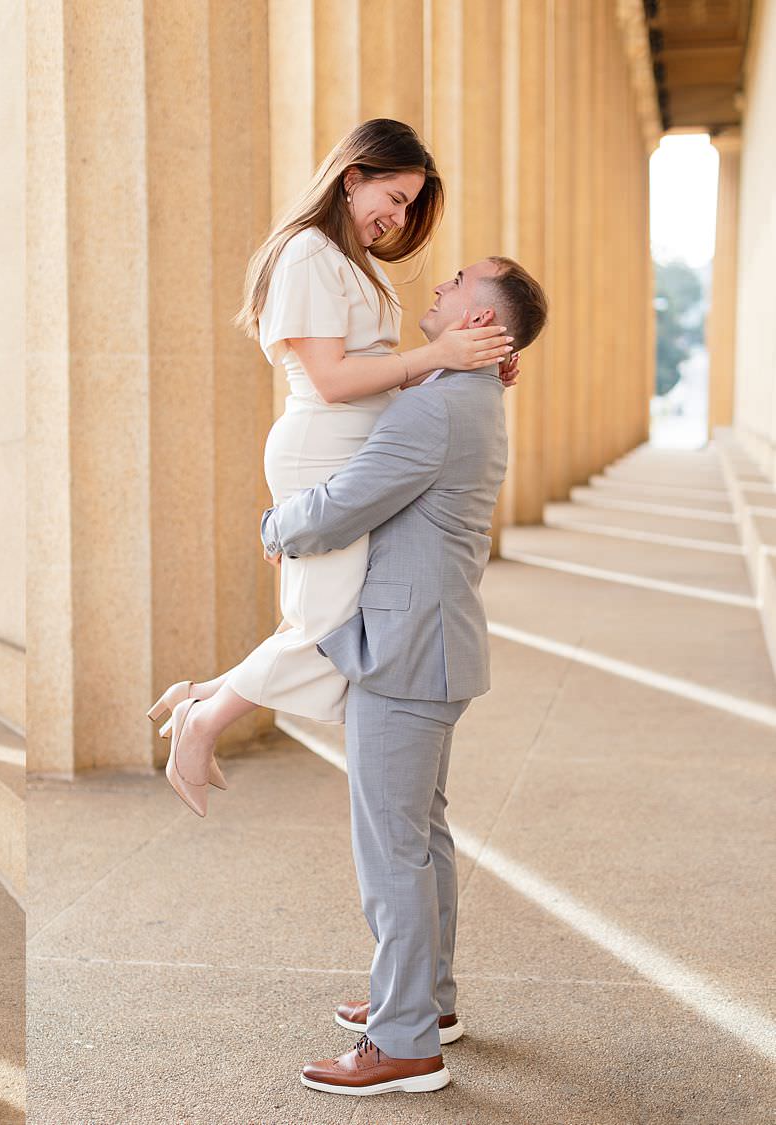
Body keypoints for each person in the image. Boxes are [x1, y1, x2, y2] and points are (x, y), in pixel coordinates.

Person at [147, 118, 515, 817]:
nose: (398, 217)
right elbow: (334, 378)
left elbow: (379, 375)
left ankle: (201, 697)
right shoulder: (308, 255)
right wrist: (436, 360)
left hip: (353, 448)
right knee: (333, 627)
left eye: (408, 205)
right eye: (395, 197)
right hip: (322, 447)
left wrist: (473, 362)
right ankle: (203, 720)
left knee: (332, 621)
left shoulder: (353, 261)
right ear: (352, 177)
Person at [262, 257, 549, 1095]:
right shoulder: (472, 395)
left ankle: (404, 1043)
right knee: (420, 840)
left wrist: (280, 524)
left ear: (482, 323)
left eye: (461, 279)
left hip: (409, 650)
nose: (444, 278)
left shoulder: (437, 408)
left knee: (392, 852)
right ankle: (427, 1003)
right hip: (436, 644)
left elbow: (353, 496)